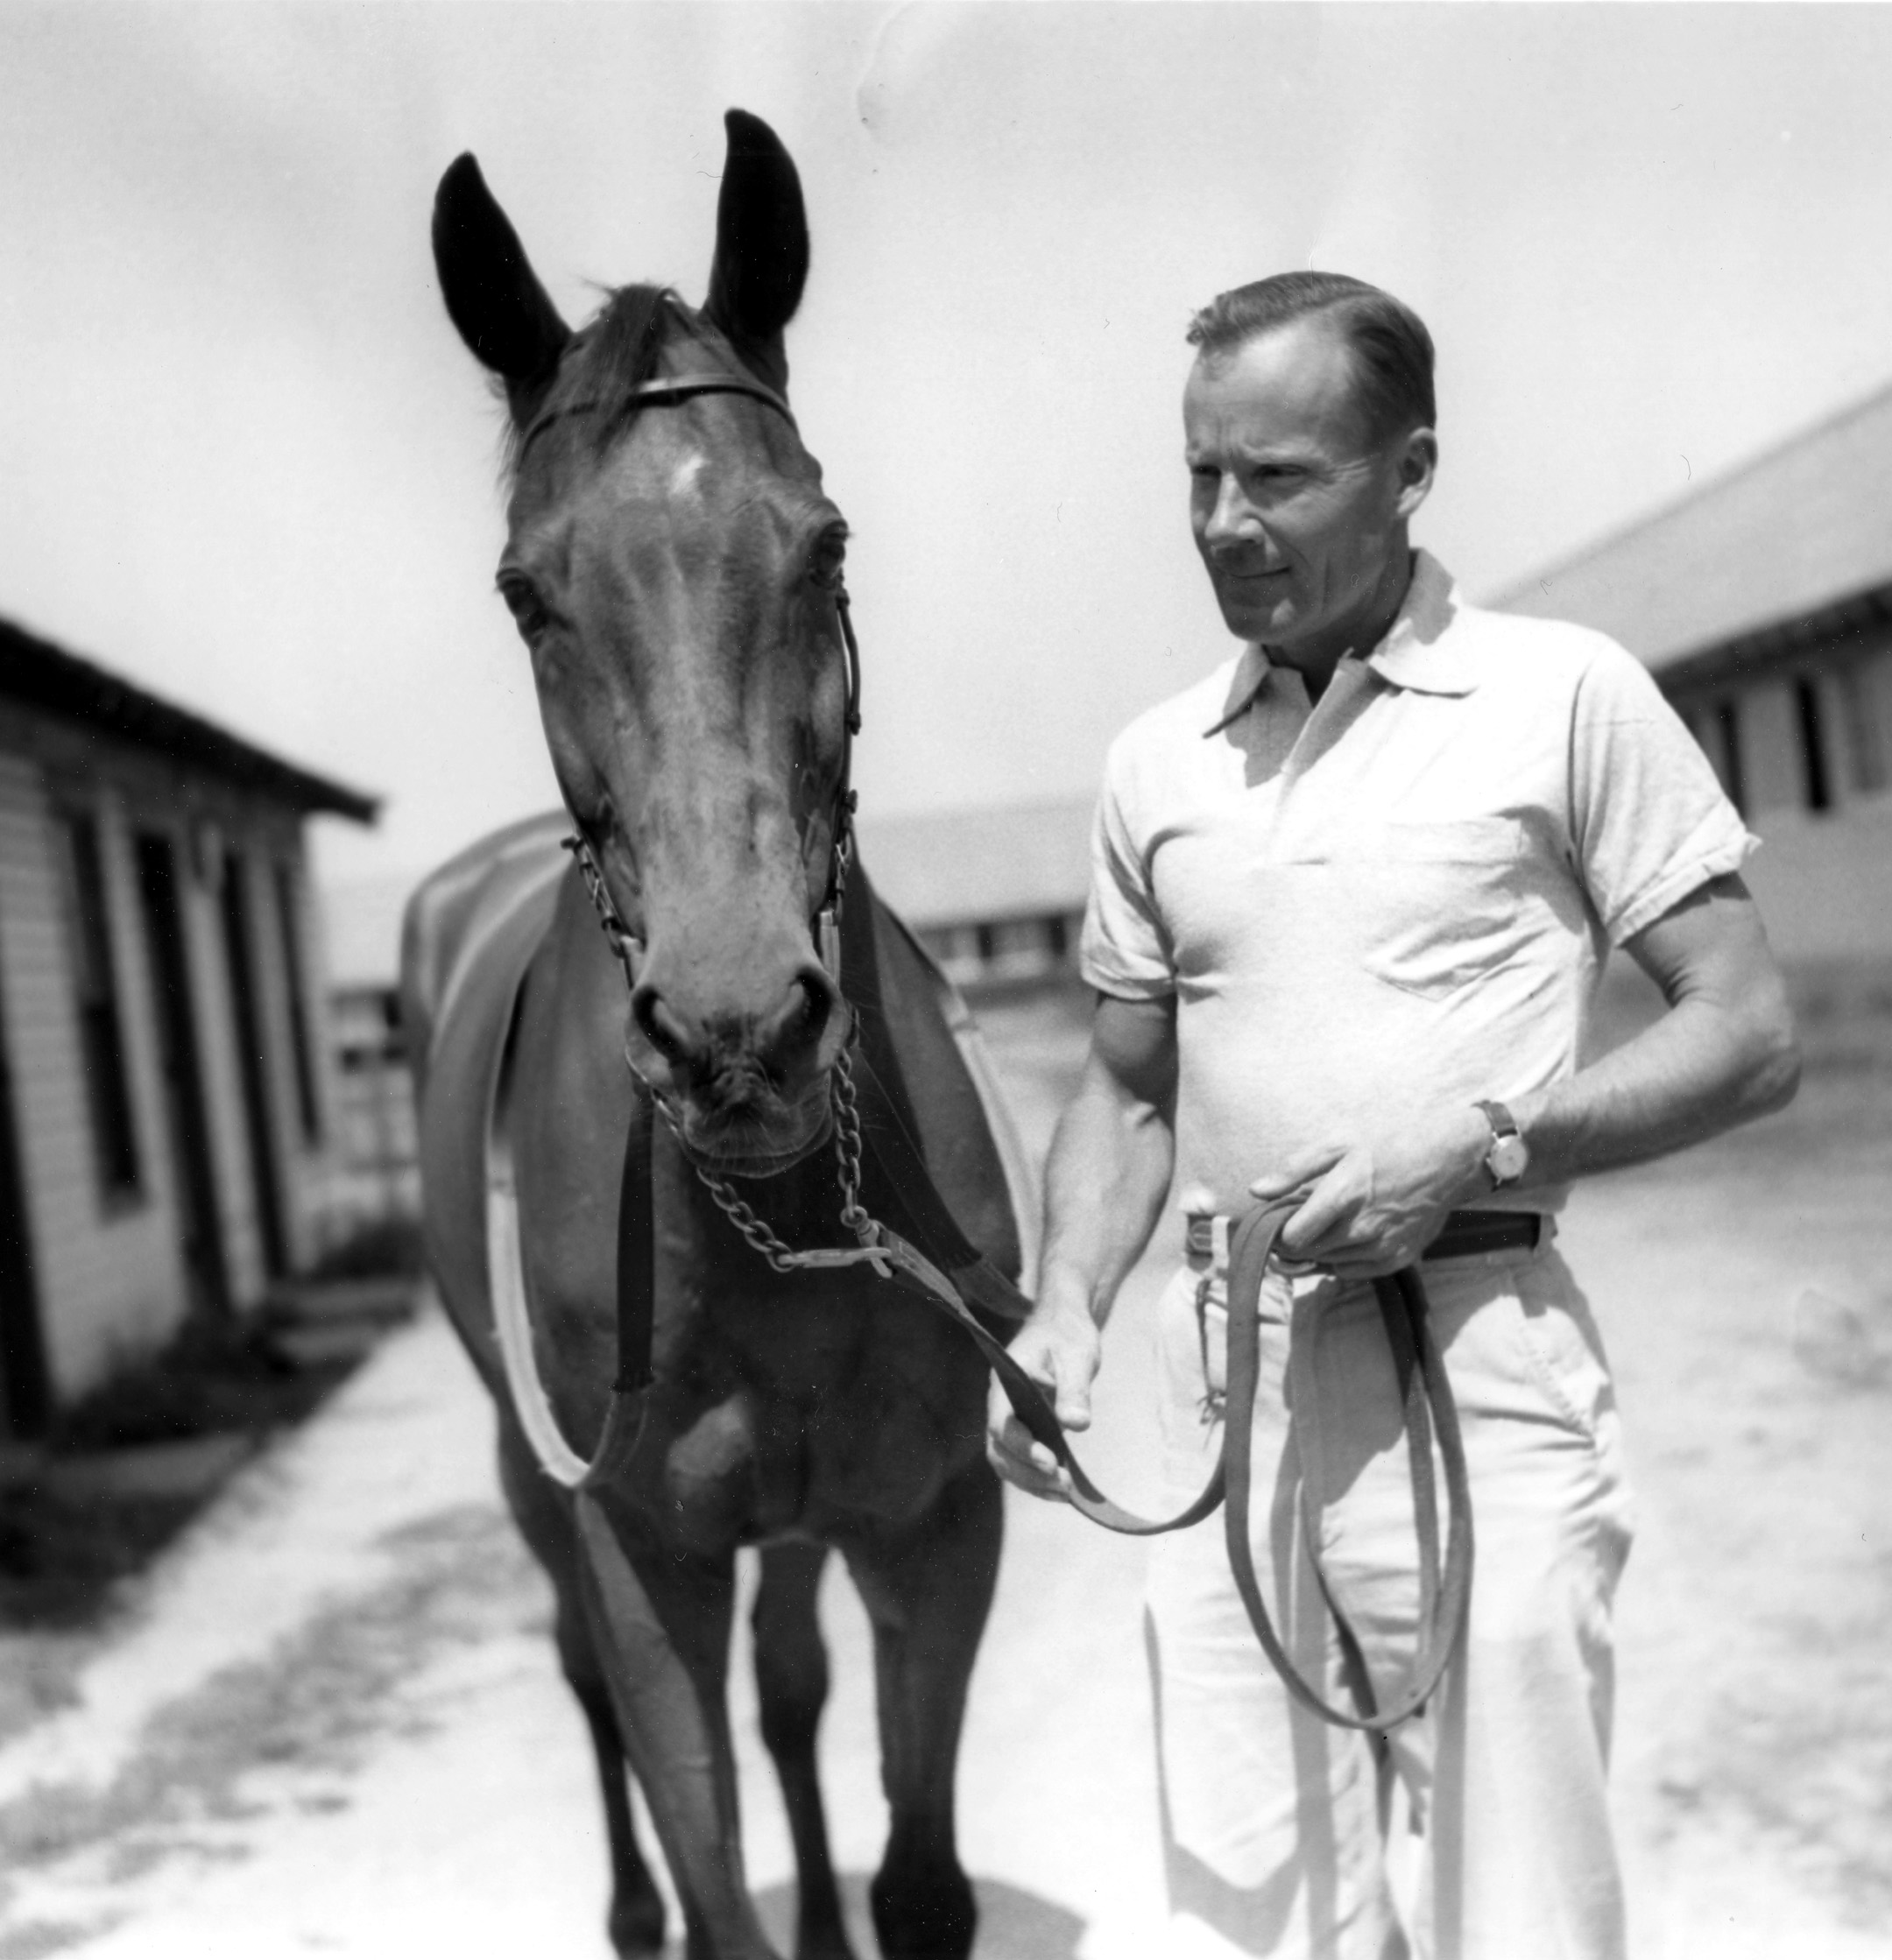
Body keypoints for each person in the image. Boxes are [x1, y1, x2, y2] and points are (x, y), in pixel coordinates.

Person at [985, 272, 1800, 1960]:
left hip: (1474, 1352)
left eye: (1277, 476)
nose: (1224, 521)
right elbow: (1130, 1087)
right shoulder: (1158, 765)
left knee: (1516, 1911)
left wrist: (1489, 1144)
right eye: (1201, 474)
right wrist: (1063, 1304)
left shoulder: (1560, 696)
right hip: (1230, 1378)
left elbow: (1747, 1027)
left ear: (1408, 469)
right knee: (1251, 1915)